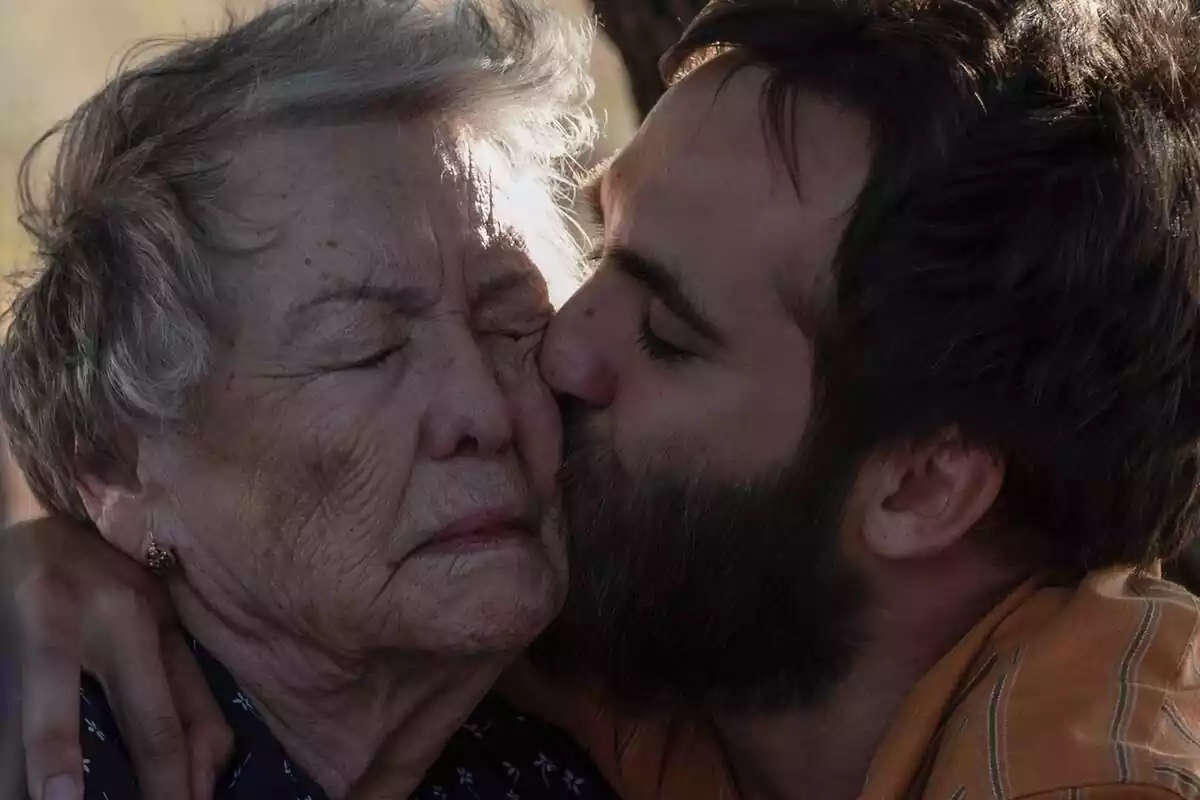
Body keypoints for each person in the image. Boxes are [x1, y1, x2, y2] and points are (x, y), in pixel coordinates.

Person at [9, 0, 1200, 798]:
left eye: (669, 331)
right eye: (365, 349)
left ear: (926, 483)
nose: (549, 365)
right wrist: (55, 541)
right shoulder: (616, 607)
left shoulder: (1085, 754)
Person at [0, 1, 621, 798]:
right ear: (118, 463)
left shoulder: (573, 763)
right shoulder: (51, 757)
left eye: (513, 327)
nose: (485, 413)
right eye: (367, 349)